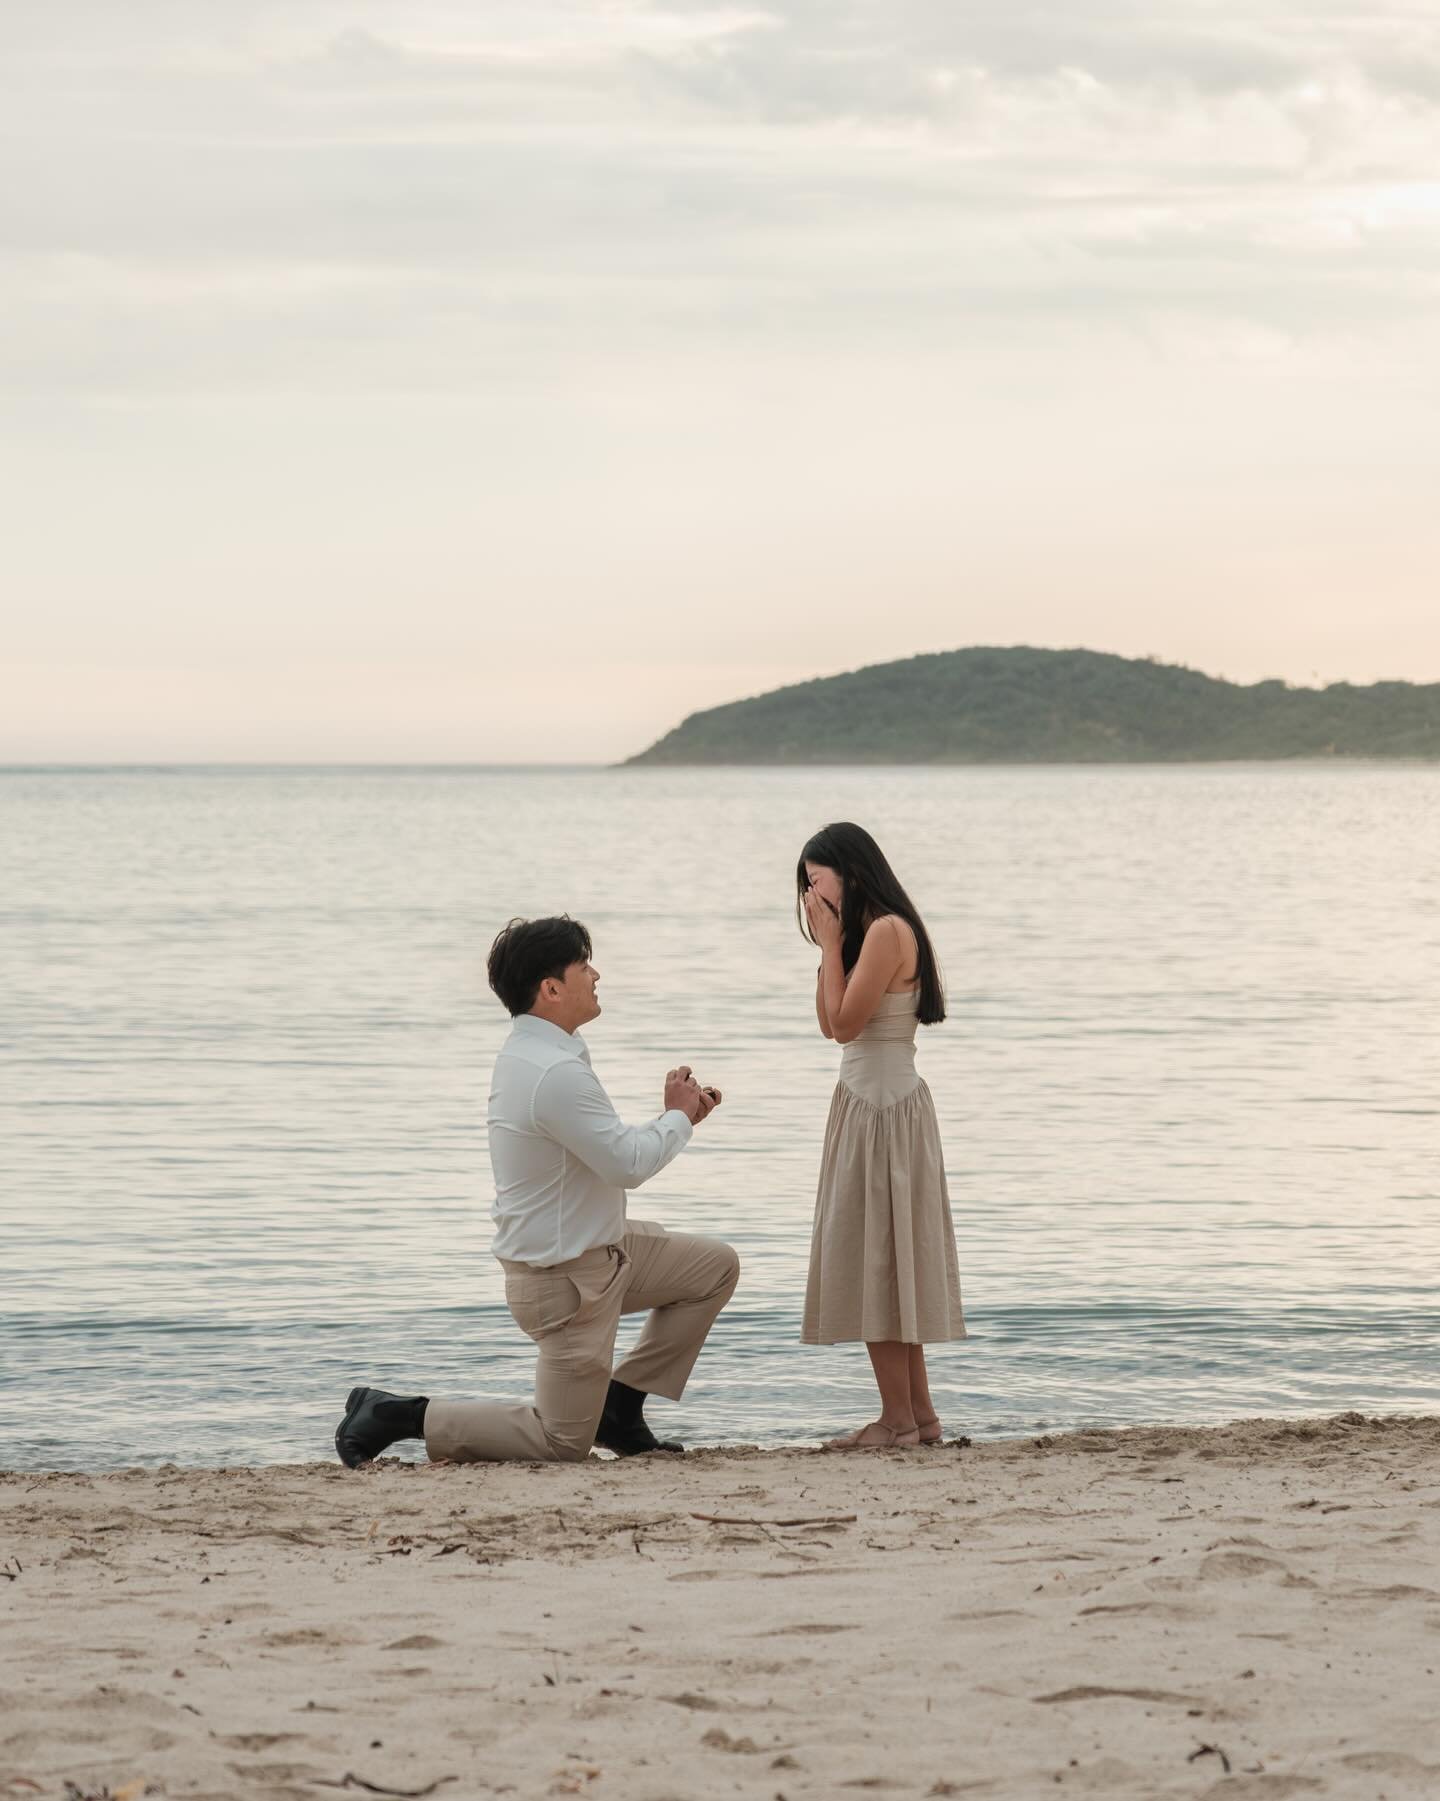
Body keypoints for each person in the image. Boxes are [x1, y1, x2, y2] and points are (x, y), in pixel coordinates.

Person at [334, 915, 738, 1467]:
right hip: (565, 1282)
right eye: (583, 965)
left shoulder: (542, 1054)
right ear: (551, 989)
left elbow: (609, 1149)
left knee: (714, 1268)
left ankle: (619, 1408)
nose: (596, 974)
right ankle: (397, 1415)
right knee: (560, 1444)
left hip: (601, 1255)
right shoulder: (553, 1072)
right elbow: (627, 1165)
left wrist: (677, 1117)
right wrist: (677, 1117)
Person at [798, 823, 965, 1449]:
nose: (811, 895)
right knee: (884, 1257)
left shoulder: (888, 931)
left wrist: (830, 943)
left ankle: (896, 1420)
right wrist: (831, 949)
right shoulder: (866, 936)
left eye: (817, 880)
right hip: (865, 1101)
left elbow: (845, 1025)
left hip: (883, 1109)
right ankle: (918, 1416)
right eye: (806, 884)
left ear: (851, 872)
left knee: (878, 1260)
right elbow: (830, 1025)